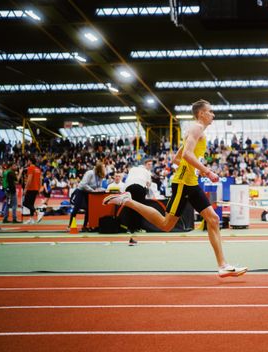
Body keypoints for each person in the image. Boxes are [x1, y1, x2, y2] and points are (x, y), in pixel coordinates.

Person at [103, 100, 247, 278]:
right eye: (210, 111)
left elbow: (177, 159)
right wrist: (207, 171)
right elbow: (186, 154)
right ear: (201, 113)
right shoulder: (196, 128)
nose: (213, 115)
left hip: (191, 182)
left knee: (214, 219)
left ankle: (223, 265)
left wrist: (196, 169)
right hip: (183, 184)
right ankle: (128, 201)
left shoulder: (197, 131)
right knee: (166, 225)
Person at [69, 161, 106, 230]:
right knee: (76, 208)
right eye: (103, 168)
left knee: (89, 209)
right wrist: (93, 190)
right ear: (99, 168)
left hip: (89, 193)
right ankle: (70, 225)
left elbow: (99, 186)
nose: (105, 169)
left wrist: (103, 189)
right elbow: (83, 184)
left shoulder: (100, 175)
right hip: (81, 191)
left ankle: (84, 226)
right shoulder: (90, 173)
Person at [22, 157, 43, 224]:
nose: (27, 162)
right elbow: (40, 180)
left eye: (28, 160)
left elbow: (29, 179)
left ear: (30, 161)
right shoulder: (38, 169)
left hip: (31, 188)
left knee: (25, 203)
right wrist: (39, 189)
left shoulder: (30, 168)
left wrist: (25, 189)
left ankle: (38, 212)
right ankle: (31, 219)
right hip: (36, 188)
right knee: (31, 204)